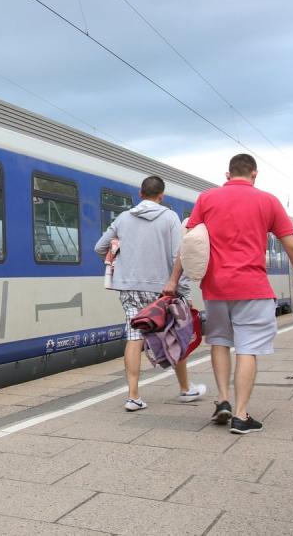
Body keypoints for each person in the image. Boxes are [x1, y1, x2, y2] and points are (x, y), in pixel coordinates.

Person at [165, 154, 293, 434]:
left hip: (215, 287)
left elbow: (188, 243)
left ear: (227, 175)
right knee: (247, 348)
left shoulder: (207, 198)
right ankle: (240, 414)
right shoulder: (268, 200)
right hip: (252, 287)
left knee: (220, 342)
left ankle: (222, 400)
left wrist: (173, 280)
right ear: (254, 174)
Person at [96, 175, 206, 412]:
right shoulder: (169, 218)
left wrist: (119, 262)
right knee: (176, 334)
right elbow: (178, 255)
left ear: (140, 194)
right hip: (162, 290)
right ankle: (186, 389)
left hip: (129, 287)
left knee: (134, 337)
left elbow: (100, 247)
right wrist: (183, 289)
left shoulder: (123, 218)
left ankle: (133, 396)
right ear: (161, 195)